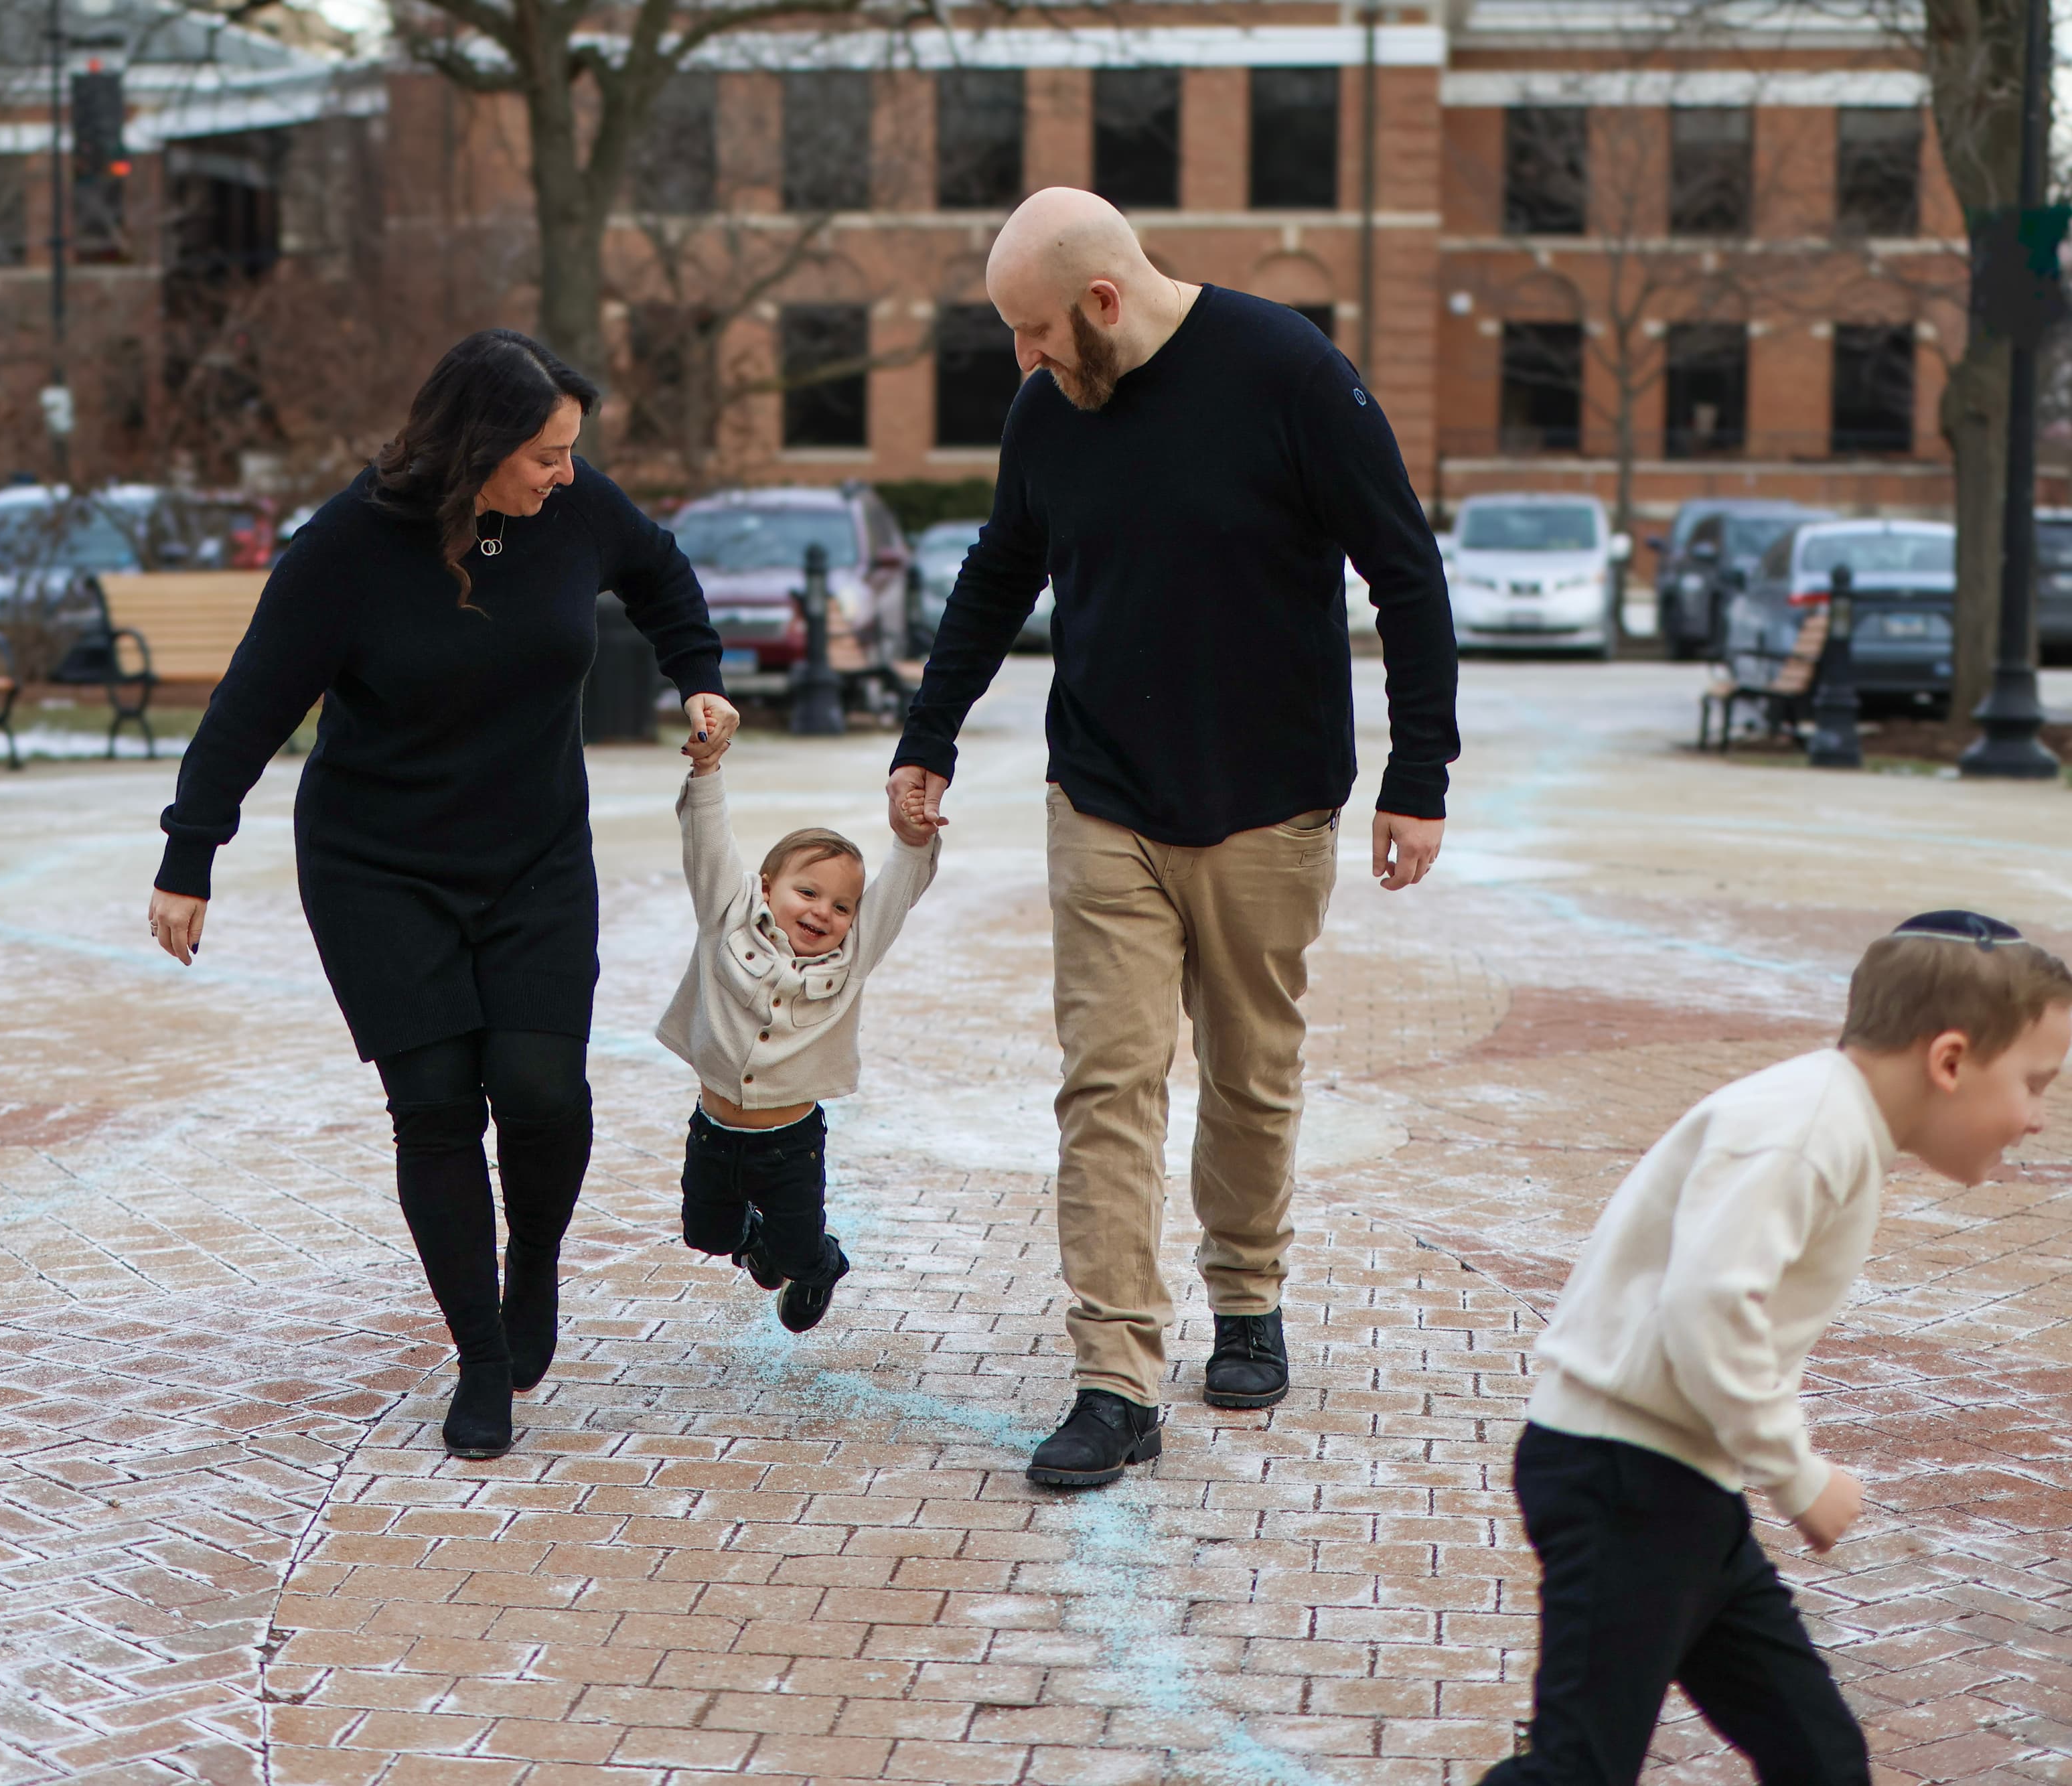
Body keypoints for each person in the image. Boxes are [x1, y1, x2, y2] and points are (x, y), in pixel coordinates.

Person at [885, 188, 1461, 1488]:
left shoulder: (1292, 376)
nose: (1021, 363)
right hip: (1102, 798)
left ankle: (1248, 1295)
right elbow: (998, 570)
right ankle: (1114, 1375)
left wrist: (1419, 772)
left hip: (1269, 799)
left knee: (1252, 1070)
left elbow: (1405, 570)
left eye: (1033, 331)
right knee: (1109, 1083)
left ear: (1102, 300)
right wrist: (930, 733)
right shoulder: (1049, 413)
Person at [146, 329, 737, 1461]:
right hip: (380, 864)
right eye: (545, 455)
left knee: (542, 1088)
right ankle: (480, 1357)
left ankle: (537, 1265)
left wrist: (697, 674)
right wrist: (190, 854)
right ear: (477, 448)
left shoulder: (576, 508)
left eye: (572, 453)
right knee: (435, 1103)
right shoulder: (347, 549)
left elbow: (659, 573)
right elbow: (252, 702)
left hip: (536, 854)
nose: (565, 474)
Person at [1481, 910, 2071, 1786]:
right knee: (1577, 1769)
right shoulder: (1805, 1132)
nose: (2035, 1117)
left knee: (1822, 1756)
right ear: (1949, 1060)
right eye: (2036, 1082)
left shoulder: (1831, 1118)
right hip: (1625, 1479)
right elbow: (1707, 1305)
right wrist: (1797, 1473)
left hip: (1682, 1485)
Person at [656, 743, 940, 1332]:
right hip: (713, 1132)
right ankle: (755, 1243)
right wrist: (706, 770)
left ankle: (820, 1265)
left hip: (791, 1146)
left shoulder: (852, 958)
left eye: (841, 905)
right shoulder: (726, 918)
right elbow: (708, 842)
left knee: (796, 1250)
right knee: (704, 1232)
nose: (822, 913)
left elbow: (897, 893)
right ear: (765, 888)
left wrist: (911, 839)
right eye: (806, 892)